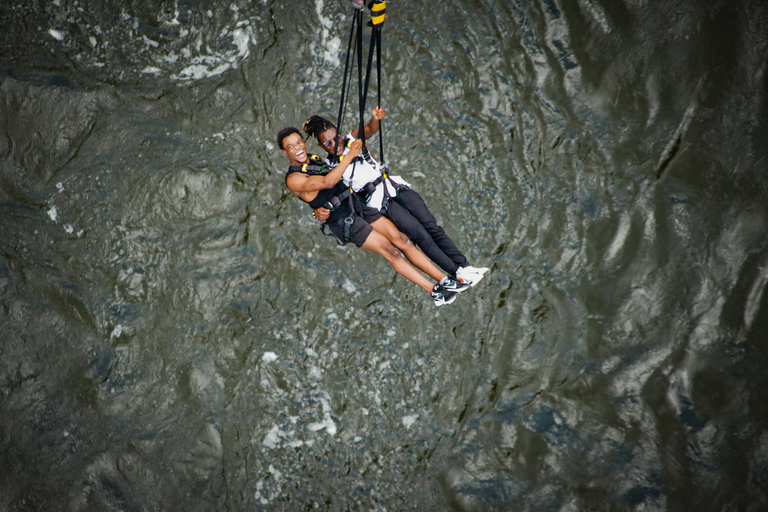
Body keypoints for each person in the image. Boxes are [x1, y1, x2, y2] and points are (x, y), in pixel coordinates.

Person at [277, 126, 467, 306]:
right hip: (344, 220)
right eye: (291, 147)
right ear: (285, 153)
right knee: (390, 250)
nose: (298, 148)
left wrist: (316, 209)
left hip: (355, 205)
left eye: (299, 142)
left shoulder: (314, 159)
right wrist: (350, 155)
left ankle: (445, 280)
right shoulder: (294, 179)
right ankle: (435, 292)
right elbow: (327, 182)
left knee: (402, 239)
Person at [302, 108, 489, 286]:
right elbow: (324, 190)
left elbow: (371, 128)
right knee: (419, 234)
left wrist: (376, 118)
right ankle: (456, 273)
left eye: (335, 138)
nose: (334, 144)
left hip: (395, 186)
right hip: (380, 202)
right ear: (321, 146)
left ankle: (465, 267)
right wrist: (318, 212)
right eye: (328, 143)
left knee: (432, 226)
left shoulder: (353, 138)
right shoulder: (329, 167)